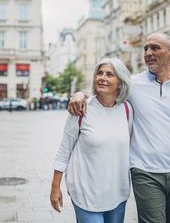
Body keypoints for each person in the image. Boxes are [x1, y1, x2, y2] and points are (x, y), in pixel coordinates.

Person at [68, 32, 170, 223]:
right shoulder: (133, 84)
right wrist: (80, 95)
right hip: (145, 172)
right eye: (146, 48)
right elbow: (104, 92)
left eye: (155, 48)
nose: (148, 52)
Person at [50, 57, 133, 223]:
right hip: (85, 192)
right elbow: (64, 149)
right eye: (100, 73)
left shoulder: (126, 109)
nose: (102, 77)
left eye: (110, 74)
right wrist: (55, 187)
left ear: (120, 82)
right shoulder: (82, 108)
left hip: (117, 193)